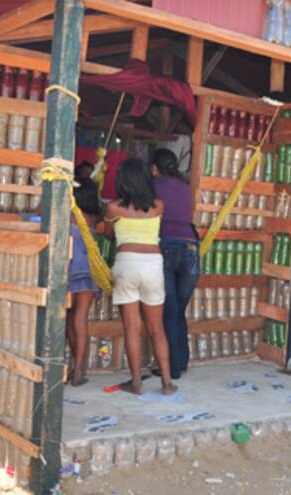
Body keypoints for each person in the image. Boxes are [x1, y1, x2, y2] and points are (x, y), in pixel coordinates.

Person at [104, 158, 177, 395]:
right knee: (157, 327)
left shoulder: (114, 208)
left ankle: (136, 382)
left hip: (127, 263)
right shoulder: (159, 205)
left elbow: (108, 236)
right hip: (153, 265)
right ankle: (167, 382)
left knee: (132, 327)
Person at [151, 149, 199, 379]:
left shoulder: (153, 185)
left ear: (154, 168)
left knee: (169, 311)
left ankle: (172, 367)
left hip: (166, 247)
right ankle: (182, 360)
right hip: (190, 249)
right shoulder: (185, 186)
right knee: (179, 310)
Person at [65, 177, 102, 387]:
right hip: (88, 273)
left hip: (69, 272)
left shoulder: (69, 216)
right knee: (80, 319)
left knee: (69, 319)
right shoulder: (94, 220)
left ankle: (75, 367)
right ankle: (79, 368)